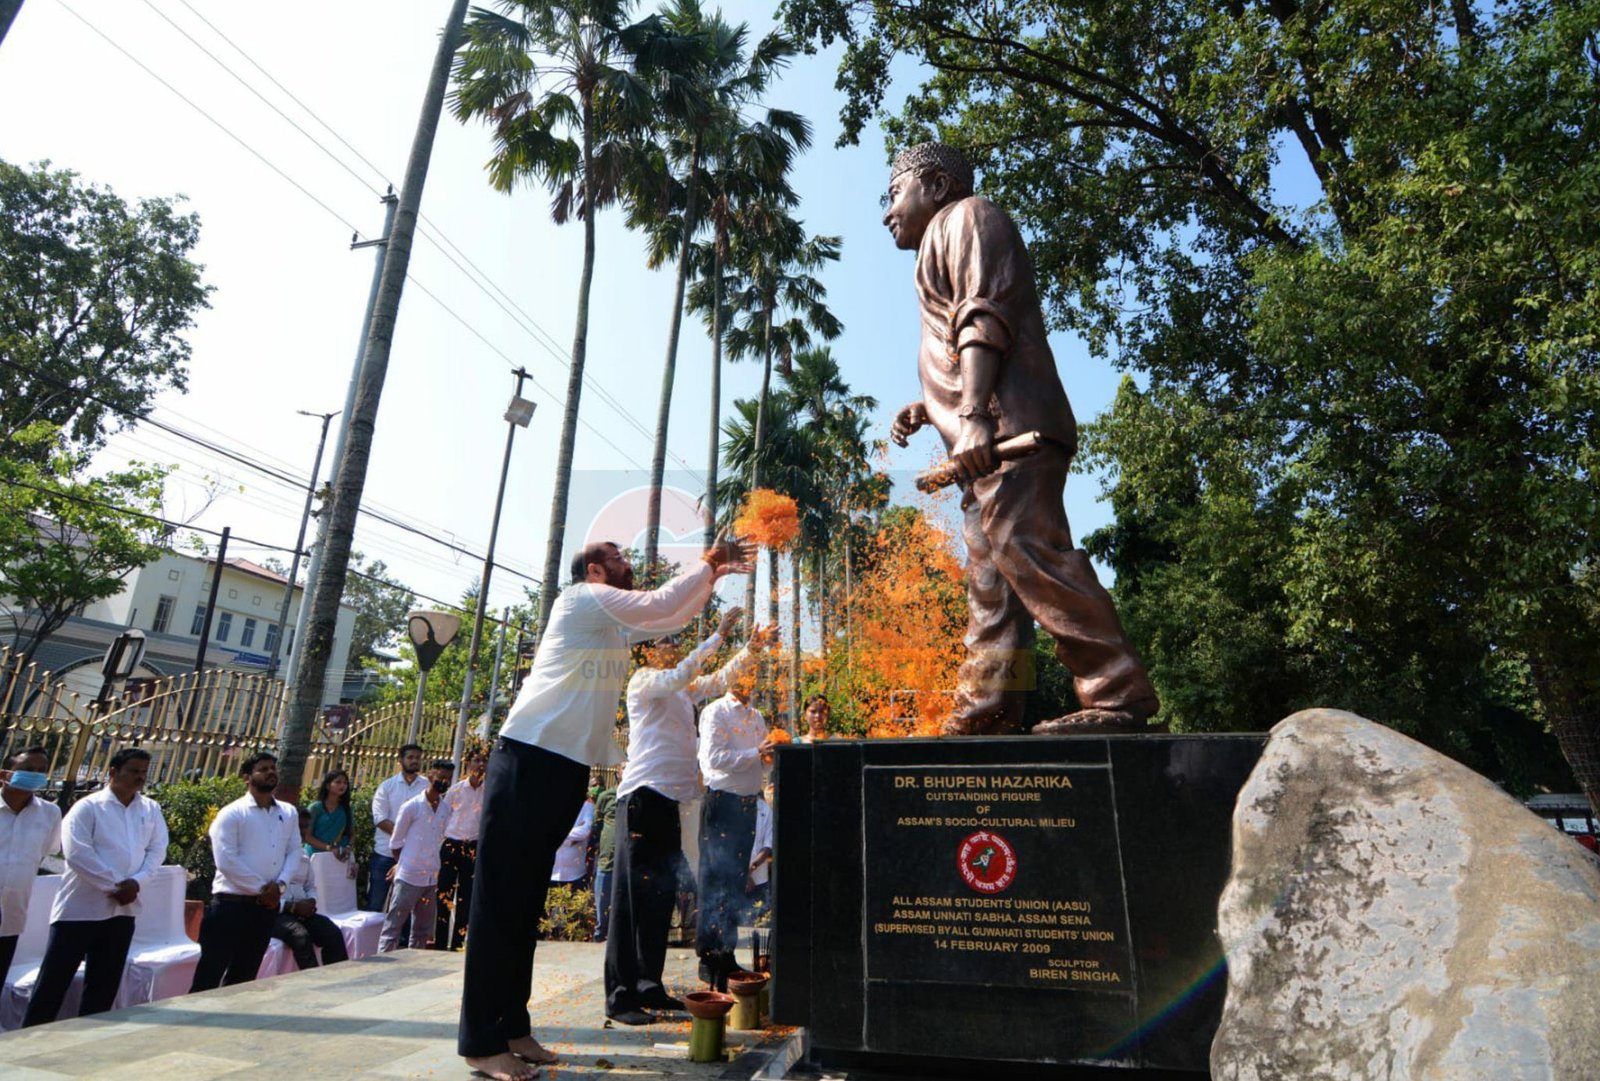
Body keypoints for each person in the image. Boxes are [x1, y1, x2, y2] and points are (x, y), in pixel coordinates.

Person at [883, 141, 1159, 736]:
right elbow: (961, 348)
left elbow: (984, 317)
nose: (886, 213)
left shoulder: (969, 217)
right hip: (984, 440)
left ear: (933, 185)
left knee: (1031, 554)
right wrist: (933, 409)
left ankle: (1118, 692)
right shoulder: (940, 239)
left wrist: (977, 414)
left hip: (1010, 431)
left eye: (892, 193)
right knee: (993, 578)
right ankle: (990, 707)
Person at [458, 531, 754, 1081]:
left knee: (524, 908)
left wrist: (710, 577)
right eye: (617, 559)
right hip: (528, 758)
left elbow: (665, 619)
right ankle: (480, 1040)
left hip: (564, 768)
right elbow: (660, 605)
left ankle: (512, 1026)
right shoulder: (578, 600)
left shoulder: (610, 625)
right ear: (594, 572)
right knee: (500, 905)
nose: (627, 565)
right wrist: (708, 562)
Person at [603, 607, 767, 1024]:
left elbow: (717, 681)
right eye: (666, 642)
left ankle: (649, 987)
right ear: (646, 654)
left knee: (659, 898)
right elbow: (683, 675)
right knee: (631, 901)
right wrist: (715, 636)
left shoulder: (679, 691)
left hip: (670, 804)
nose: (674, 646)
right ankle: (621, 996)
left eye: (676, 642)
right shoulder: (646, 683)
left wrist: (750, 649)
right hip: (641, 800)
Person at [23, 748, 167, 1026]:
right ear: (113, 772)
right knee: (54, 981)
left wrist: (137, 882)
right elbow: (77, 854)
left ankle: (90, 1038)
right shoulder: (88, 807)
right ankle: (30, 1037)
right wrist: (116, 885)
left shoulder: (150, 808)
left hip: (122, 911)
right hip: (80, 909)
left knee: (104, 984)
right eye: (133, 771)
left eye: (143, 772)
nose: (140, 777)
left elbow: (157, 849)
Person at [696, 668, 780, 988]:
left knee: (734, 882)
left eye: (752, 675)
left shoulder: (756, 717)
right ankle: (709, 956)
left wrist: (770, 755)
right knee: (716, 879)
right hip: (722, 804)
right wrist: (755, 753)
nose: (748, 681)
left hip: (747, 804)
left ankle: (727, 949)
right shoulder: (715, 711)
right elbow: (713, 759)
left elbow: (759, 761)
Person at [190, 751, 301, 991]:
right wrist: (262, 888)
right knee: (209, 975)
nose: (271, 772)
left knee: (244, 976)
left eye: (273, 767)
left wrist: (279, 886)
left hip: (264, 908)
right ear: (247, 778)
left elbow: (294, 852)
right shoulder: (232, 813)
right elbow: (226, 860)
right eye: (263, 768)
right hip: (230, 906)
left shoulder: (288, 812)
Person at [0, 747, 62, 991]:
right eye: (27, 770)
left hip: (12, 913)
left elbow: (45, 852)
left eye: (41, 771)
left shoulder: (49, 813)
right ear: (5, 773)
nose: (35, 775)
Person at [379, 759, 454, 952]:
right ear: (430, 776)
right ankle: (381, 966)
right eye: (440, 777)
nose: (444, 782)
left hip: (430, 877)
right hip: (409, 877)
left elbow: (440, 839)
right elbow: (395, 843)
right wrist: (401, 864)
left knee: (422, 930)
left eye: (448, 779)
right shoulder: (412, 807)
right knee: (393, 927)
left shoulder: (446, 809)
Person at [271, 806, 350, 969]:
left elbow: (310, 886)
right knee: (300, 936)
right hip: (276, 913)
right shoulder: (271, 854)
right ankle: (313, 986)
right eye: (298, 826)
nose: (302, 831)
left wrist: (312, 901)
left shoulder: (303, 856)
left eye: (305, 827)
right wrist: (292, 907)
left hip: (302, 911)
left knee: (332, 932)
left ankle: (339, 981)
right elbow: (263, 893)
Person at [435, 749, 486, 952]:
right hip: (452, 844)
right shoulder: (456, 790)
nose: (480, 765)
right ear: (468, 764)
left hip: (473, 847)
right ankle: (440, 942)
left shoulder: (489, 791)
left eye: (483, 761)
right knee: (444, 894)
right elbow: (443, 818)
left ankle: (457, 943)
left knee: (466, 897)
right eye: (476, 760)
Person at [369, 744, 427, 912]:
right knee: (375, 903)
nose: (415, 761)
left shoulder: (426, 788)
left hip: (413, 857)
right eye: (410, 757)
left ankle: (402, 940)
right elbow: (380, 819)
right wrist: (405, 834)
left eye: (417, 757)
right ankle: (372, 938)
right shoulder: (387, 787)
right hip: (385, 854)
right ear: (400, 760)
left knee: (405, 908)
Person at [590, 778, 618, 944]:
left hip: (627, 864)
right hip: (606, 860)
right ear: (617, 773)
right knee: (602, 903)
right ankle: (599, 936)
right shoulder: (606, 796)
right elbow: (597, 825)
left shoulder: (636, 796)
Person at [306, 768, 354, 859]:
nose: (342, 785)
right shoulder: (315, 808)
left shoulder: (346, 809)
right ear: (328, 786)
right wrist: (329, 848)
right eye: (338, 782)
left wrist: (348, 847)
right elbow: (307, 837)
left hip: (339, 857)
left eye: (345, 783)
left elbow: (351, 834)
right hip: (315, 856)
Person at [746, 780, 775, 922]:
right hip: (735, 876)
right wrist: (743, 874)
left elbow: (767, 845)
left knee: (760, 922)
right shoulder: (733, 807)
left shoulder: (765, 810)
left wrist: (751, 869)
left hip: (760, 878)